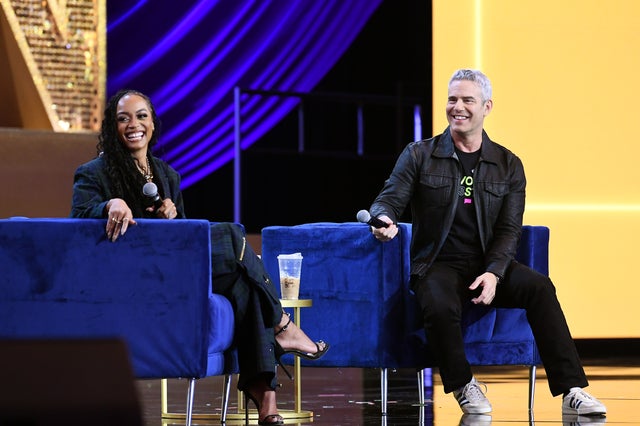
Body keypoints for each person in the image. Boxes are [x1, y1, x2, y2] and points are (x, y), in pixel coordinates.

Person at [70, 89, 329, 426]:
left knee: (243, 285)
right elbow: (76, 221)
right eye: (123, 118)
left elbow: (184, 240)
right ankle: (282, 324)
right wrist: (109, 205)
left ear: (152, 124)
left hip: (174, 270)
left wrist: (172, 219)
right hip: (132, 276)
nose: (133, 124)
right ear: (112, 126)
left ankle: (263, 392)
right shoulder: (94, 172)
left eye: (141, 116)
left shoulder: (167, 175)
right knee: (231, 235)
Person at [366, 69, 606, 419]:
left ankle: (572, 390)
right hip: (437, 264)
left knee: (539, 287)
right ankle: (465, 385)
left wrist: (494, 273)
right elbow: (388, 199)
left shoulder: (508, 165)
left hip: (489, 265)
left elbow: (510, 230)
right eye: (452, 99)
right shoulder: (419, 155)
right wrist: (383, 219)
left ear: (486, 107)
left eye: (467, 100)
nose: (457, 107)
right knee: (437, 300)